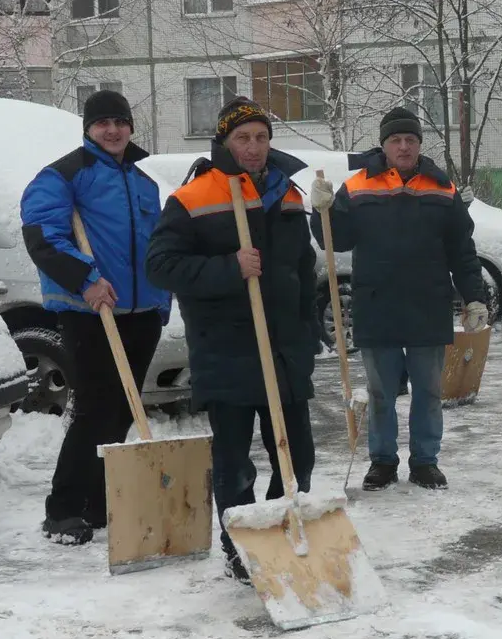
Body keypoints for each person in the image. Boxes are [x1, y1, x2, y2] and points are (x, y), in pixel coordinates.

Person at [144, 98, 319, 583]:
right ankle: (239, 543)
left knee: (297, 453)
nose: (254, 147)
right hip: (226, 348)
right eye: (243, 138)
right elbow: (159, 266)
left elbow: (304, 270)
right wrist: (229, 268)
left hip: (284, 349)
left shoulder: (287, 194)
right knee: (234, 459)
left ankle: (284, 526)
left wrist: (307, 331)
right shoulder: (194, 198)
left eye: (261, 137)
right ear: (223, 143)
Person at [20, 90, 171, 546]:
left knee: (123, 408)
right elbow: (43, 235)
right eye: (102, 122)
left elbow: (155, 245)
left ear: (130, 127)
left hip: (141, 312)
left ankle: (96, 500)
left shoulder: (143, 182)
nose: (112, 130)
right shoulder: (64, 174)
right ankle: (62, 509)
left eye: (119, 122)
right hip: (89, 310)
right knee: (92, 409)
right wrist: (85, 279)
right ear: (88, 128)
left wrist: (161, 300)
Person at [310, 106, 487, 491]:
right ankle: (383, 461)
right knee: (380, 392)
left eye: (410, 140)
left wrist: (475, 297)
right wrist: (320, 210)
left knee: (428, 390)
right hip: (378, 305)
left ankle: (425, 461)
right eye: (396, 140)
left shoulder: (442, 189)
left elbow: (462, 250)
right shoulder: (358, 188)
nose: (403, 147)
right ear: (384, 145)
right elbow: (335, 239)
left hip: (428, 304)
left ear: (420, 145)